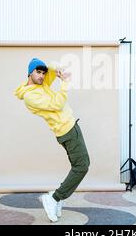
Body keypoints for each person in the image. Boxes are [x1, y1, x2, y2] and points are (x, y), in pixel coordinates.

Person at [14, 58, 90, 222]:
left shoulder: (41, 85)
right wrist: (65, 83)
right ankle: (54, 198)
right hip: (67, 130)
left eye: (43, 73)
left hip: (70, 126)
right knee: (82, 166)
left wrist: (59, 70)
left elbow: (53, 69)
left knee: (78, 166)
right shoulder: (30, 96)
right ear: (29, 73)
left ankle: (58, 197)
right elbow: (57, 104)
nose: (41, 76)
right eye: (37, 72)